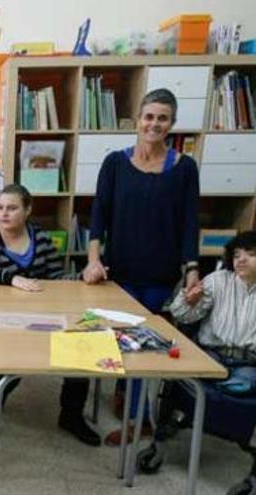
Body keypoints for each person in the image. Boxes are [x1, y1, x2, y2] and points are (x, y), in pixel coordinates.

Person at [82, 88, 200, 446]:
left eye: (163, 118)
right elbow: (98, 215)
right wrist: (92, 260)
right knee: (114, 339)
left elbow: (189, 223)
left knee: (141, 348)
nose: (154, 124)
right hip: (119, 272)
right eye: (149, 116)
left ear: (172, 124)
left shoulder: (184, 168)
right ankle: (126, 394)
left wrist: (192, 270)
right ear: (138, 121)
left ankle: (137, 421)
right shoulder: (115, 163)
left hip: (160, 275)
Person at [0, 184, 100, 446]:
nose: (4, 214)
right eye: (0, 207)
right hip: (3, 320)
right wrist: (9, 277)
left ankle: (71, 416)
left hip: (43, 313)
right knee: (17, 353)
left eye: (12, 208)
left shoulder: (42, 239)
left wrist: (82, 278)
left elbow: (56, 279)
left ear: (27, 210)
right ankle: (4, 380)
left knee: (81, 346)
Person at [169, 231, 256, 392]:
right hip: (212, 354)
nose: (241, 260)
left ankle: (221, 391)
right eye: (237, 256)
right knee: (186, 372)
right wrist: (189, 303)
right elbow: (181, 316)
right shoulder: (218, 280)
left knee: (242, 385)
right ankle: (216, 389)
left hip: (252, 363)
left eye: (251, 255)